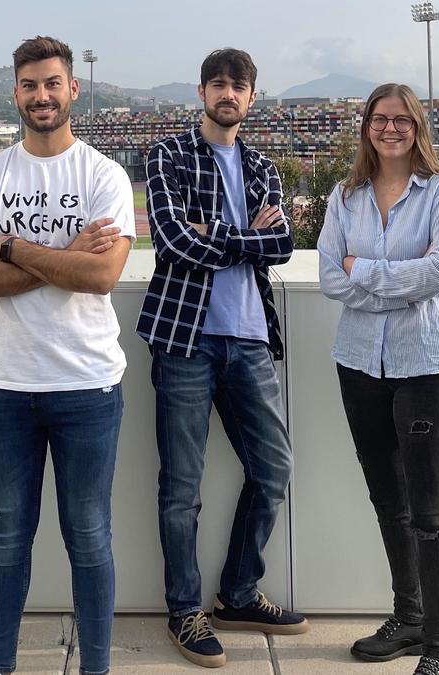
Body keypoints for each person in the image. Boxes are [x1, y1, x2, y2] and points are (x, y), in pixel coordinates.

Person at [0, 35, 135, 675]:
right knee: (4, 540)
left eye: (52, 83)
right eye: (30, 85)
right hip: (4, 387)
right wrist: (63, 255)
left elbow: (101, 277)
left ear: (72, 88)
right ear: (17, 93)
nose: (42, 95)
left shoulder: (103, 175)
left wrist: (13, 248)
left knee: (89, 538)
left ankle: (96, 668)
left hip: (86, 385)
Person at [135, 47, 307, 669]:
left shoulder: (262, 165)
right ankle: (185, 609)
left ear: (251, 97)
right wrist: (245, 238)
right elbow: (175, 241)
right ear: (201, 91)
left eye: (238, 86)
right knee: (181, 486)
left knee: (274, 469)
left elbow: (283, 244)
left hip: (251, 338)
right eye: (217, 84)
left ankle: (237, 592)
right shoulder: (168, 155)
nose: (227, 94)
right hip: (184, 338)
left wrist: (220, 234)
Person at [318, 83, 439, 675]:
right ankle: (407, 618)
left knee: (431, 512)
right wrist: (384, 280)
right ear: (367, 128)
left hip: (427, 365)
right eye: (380, 119)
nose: (390, 128)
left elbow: (438, 273)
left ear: (418, 127)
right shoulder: (345, 194)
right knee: (389, 503)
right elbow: (331, 276)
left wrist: (366, 273)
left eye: (402, 119)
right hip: (359, 365)